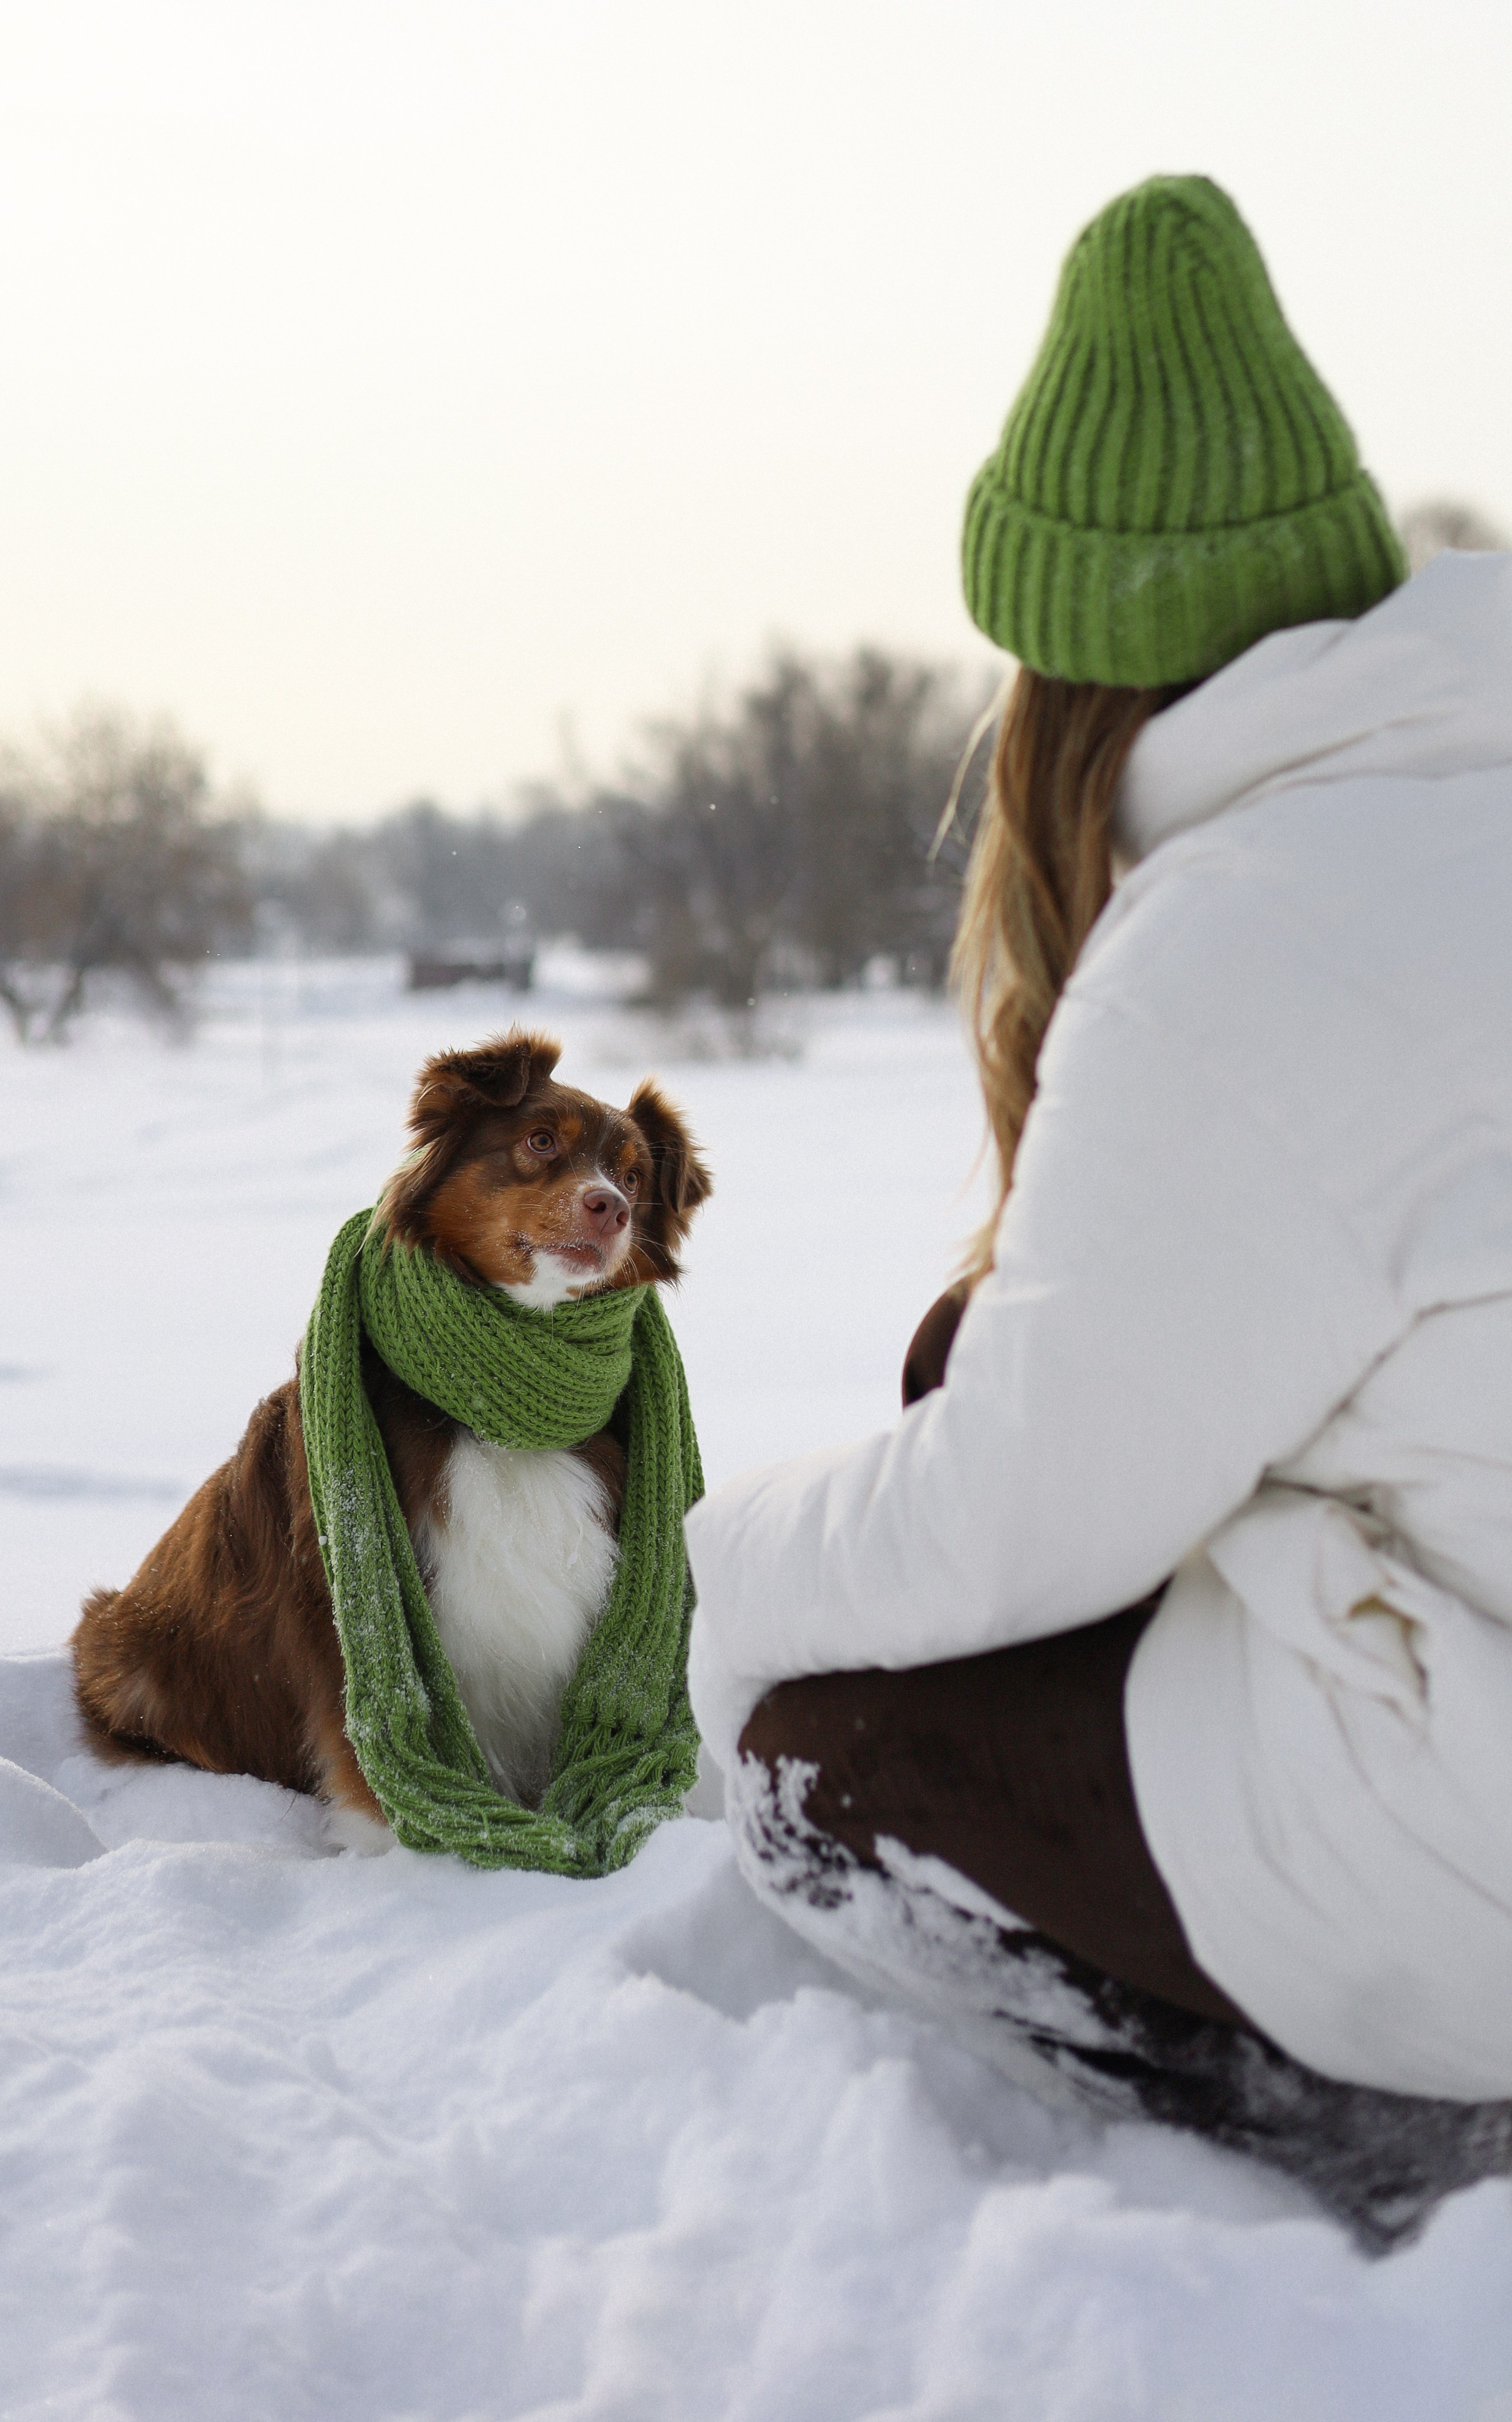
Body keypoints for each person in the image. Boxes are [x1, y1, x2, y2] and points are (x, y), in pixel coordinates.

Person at [682, 174, 1512, 2249]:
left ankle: (1395, 2154)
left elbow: (1009, 1516)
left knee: (826, 1752)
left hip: (1483, 1833)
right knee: (981, 1360)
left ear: (1062, 688)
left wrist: (717, 1579)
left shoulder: (1239, 942)